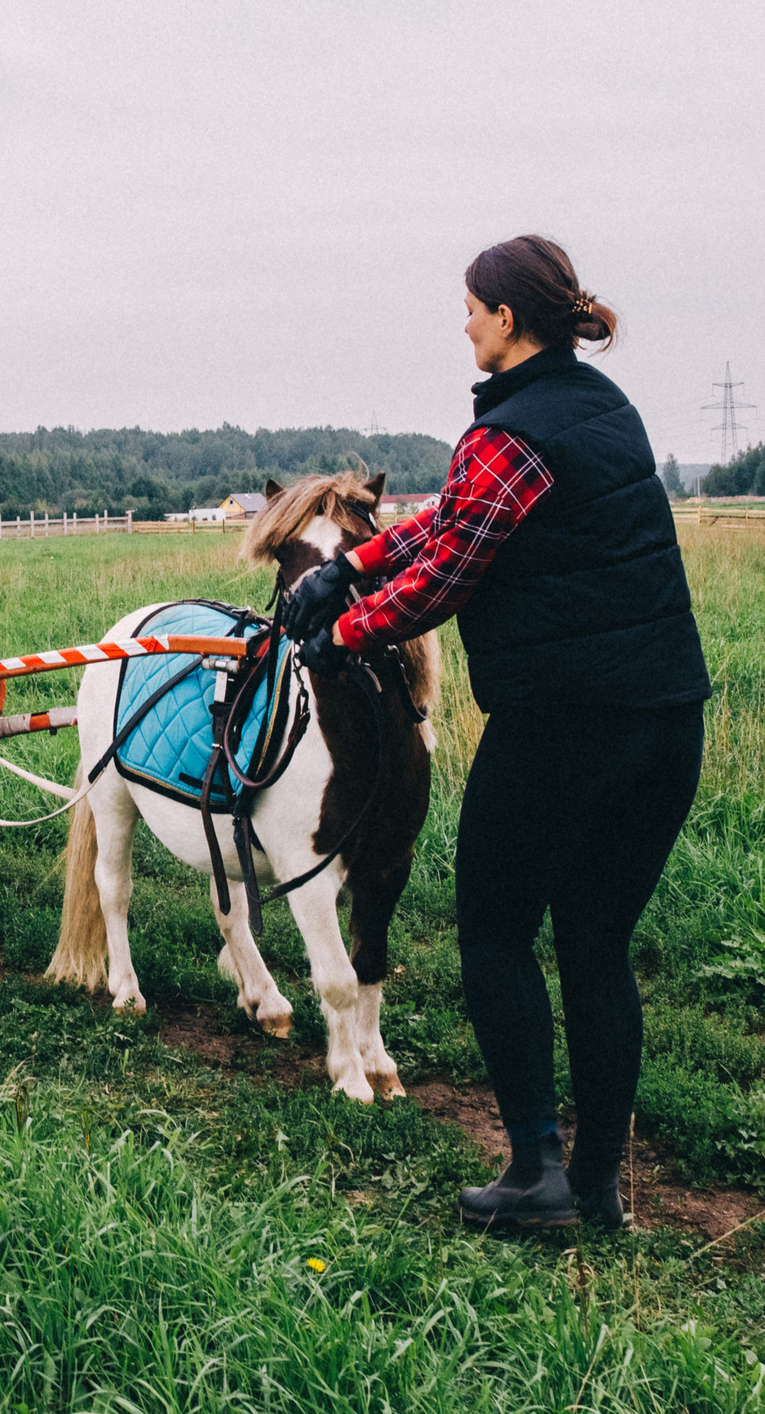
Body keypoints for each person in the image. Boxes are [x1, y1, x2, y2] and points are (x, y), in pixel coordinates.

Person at [281, 234, 711, 1230]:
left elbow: (448, 573)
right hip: (664, 721)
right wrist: (349, 566)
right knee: (597, 946)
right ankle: (598, 1186)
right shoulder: (601, 410)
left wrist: (339, 635)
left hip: (564, 724)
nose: (463, 324)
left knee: (494, 932)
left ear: (507, 321)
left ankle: (533, 1175)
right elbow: (450, 523)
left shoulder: (508, 434)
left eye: (471, 308)